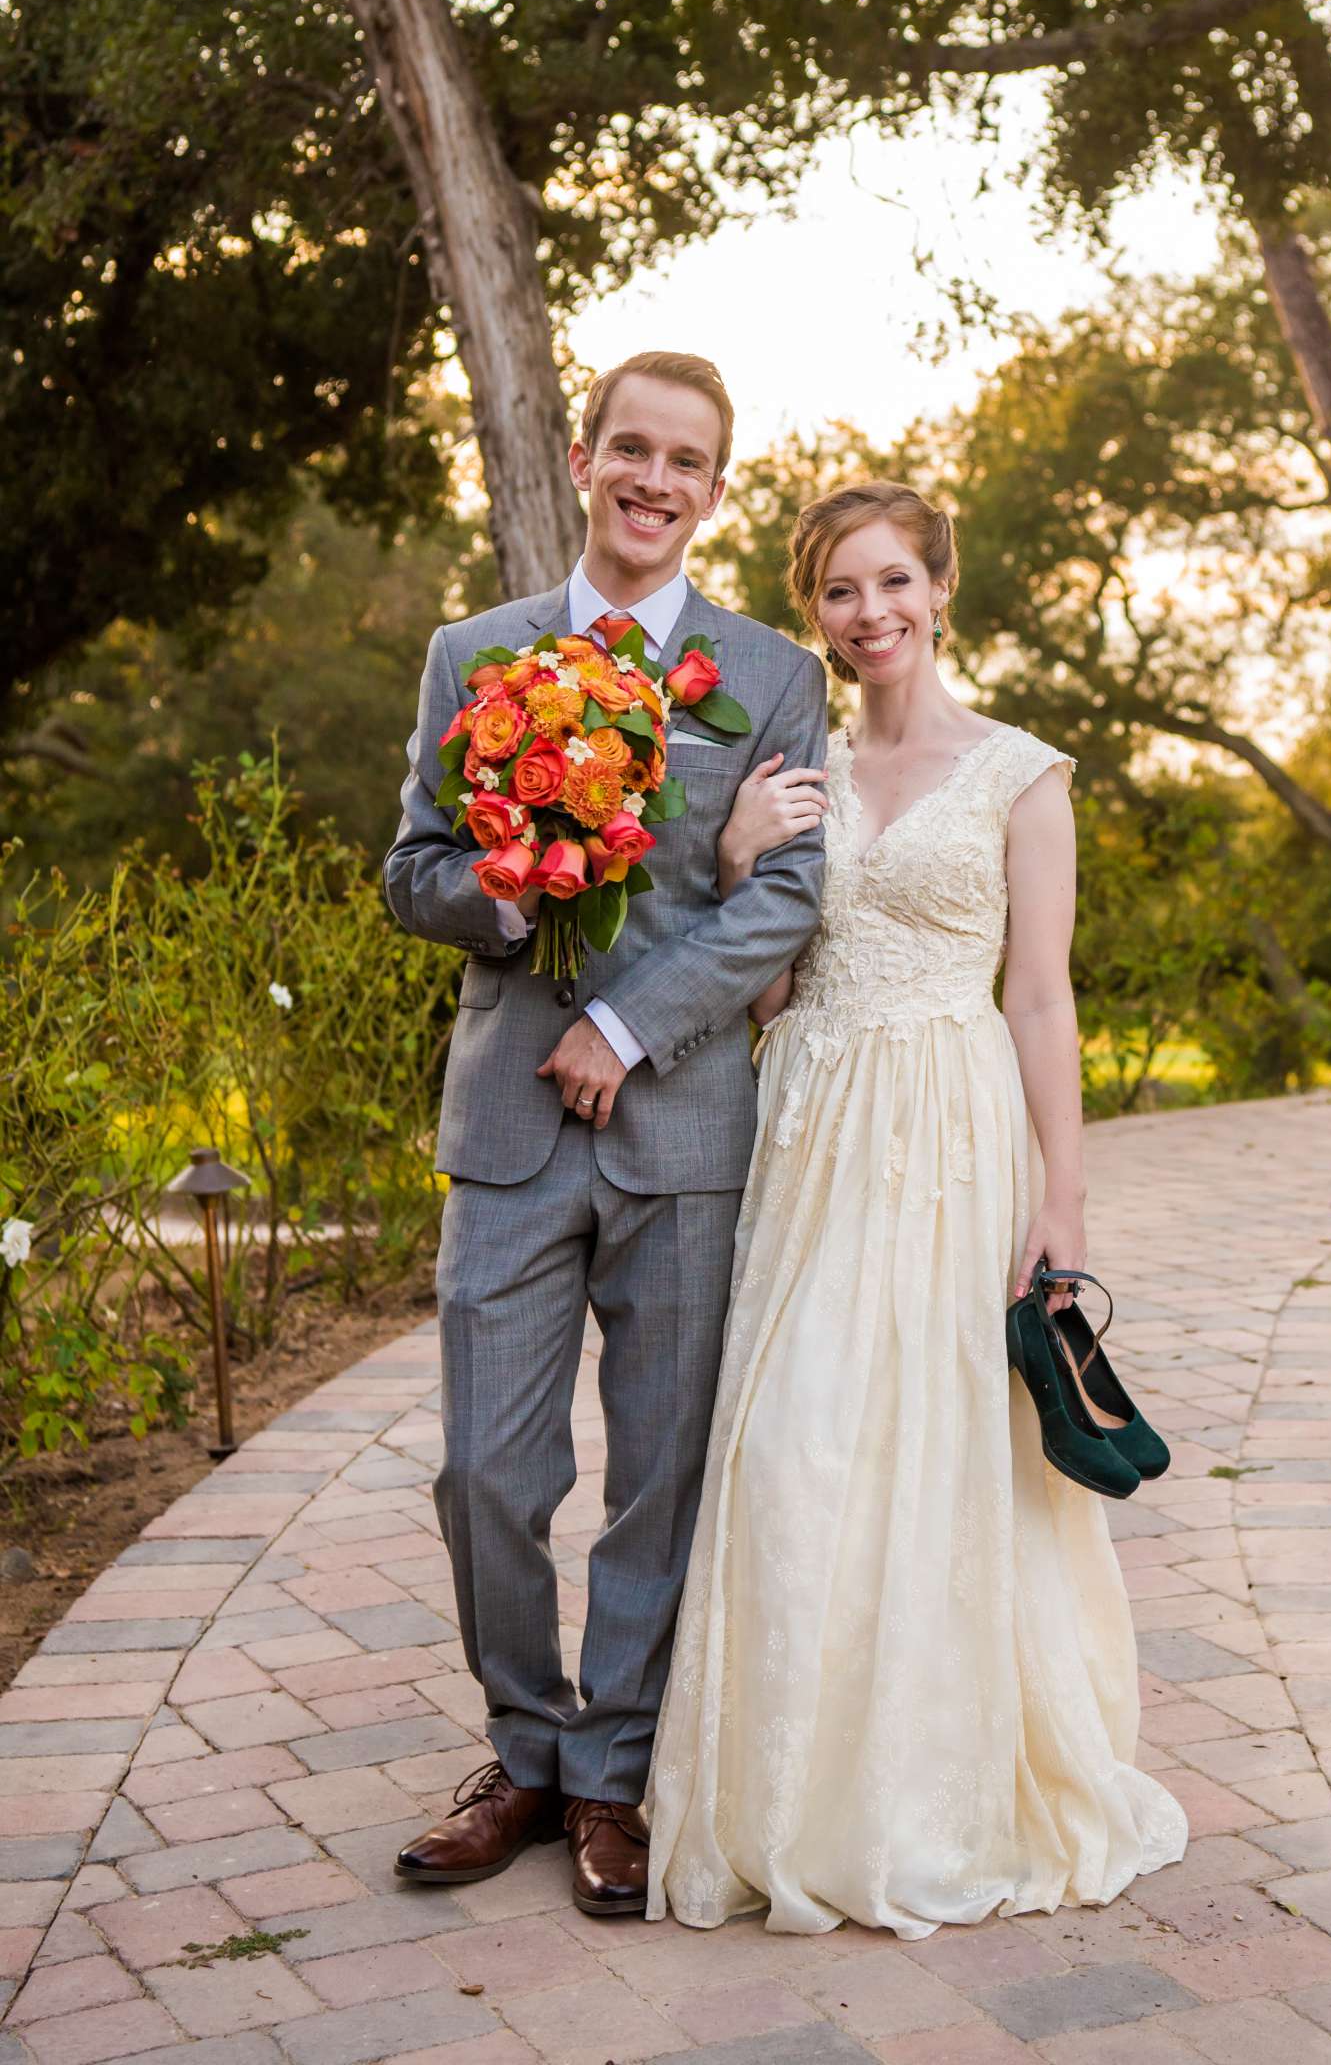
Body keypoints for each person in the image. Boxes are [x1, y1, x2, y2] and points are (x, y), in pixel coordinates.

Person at [647, 480, 1188, 1938]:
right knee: (799, 1444)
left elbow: (1040, 994)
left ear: (941, 588)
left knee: (943, 1453)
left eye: (894, 582)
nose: (869, 613)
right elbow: (764, 991)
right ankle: (788, 1796)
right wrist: (737, 863)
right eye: (838, 591)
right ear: (811, 614)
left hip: (953, 1130)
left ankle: (932, 1792)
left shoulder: (1021, 772)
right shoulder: (795, 767)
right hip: (811, 1128)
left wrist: (1062, 1210)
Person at [383, 352, 829, 1916]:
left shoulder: (769, 677)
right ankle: (520, 1748)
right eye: (630, 448)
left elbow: (784, 896)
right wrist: (507, 886)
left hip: (685, 1127)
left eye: (686, 461)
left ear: (716, 490)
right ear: (584, 457)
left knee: (661, 1475)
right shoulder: (476, 652)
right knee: (485, 1478)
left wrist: (627, 1027)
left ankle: (614, 1775)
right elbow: (411, 872)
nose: (655, 479)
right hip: (506, 1124)